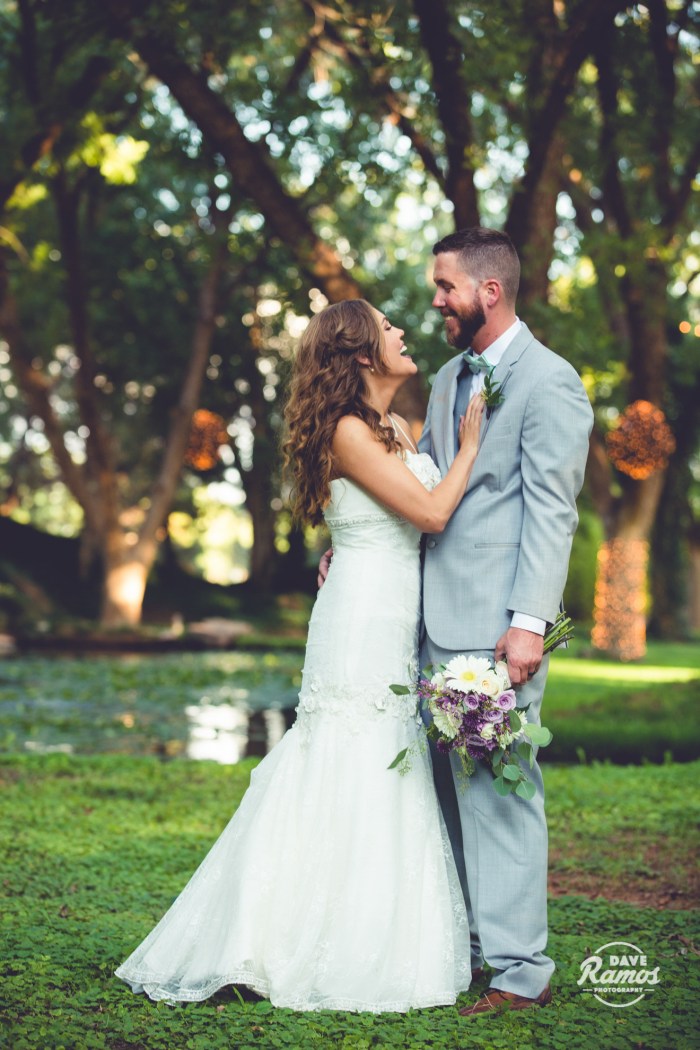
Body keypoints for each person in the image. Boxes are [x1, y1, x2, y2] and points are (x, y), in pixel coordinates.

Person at [115, 298, 485, 1012]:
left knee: (387, 758)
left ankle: (372, 929)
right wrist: (470, 446)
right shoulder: (348, 430)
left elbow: (391, 517)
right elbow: (432, 512)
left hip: (390, 610)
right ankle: (271, 939)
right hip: (356, 621)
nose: (403, 332)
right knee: (344, 755)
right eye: (388, 328)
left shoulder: (396, 428)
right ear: (361, 354)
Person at [420, 227, 593, 1015]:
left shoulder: (551, 382)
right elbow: (426, 484)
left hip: (498, 630)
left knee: (501, 792)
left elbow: (551, 513)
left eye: (445, 286)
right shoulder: (445, 377)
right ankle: (467, 945)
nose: (435, 300)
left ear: (489, 291)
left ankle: (523, 969)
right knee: (444, 797)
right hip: (429, 625)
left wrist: (529, 624)